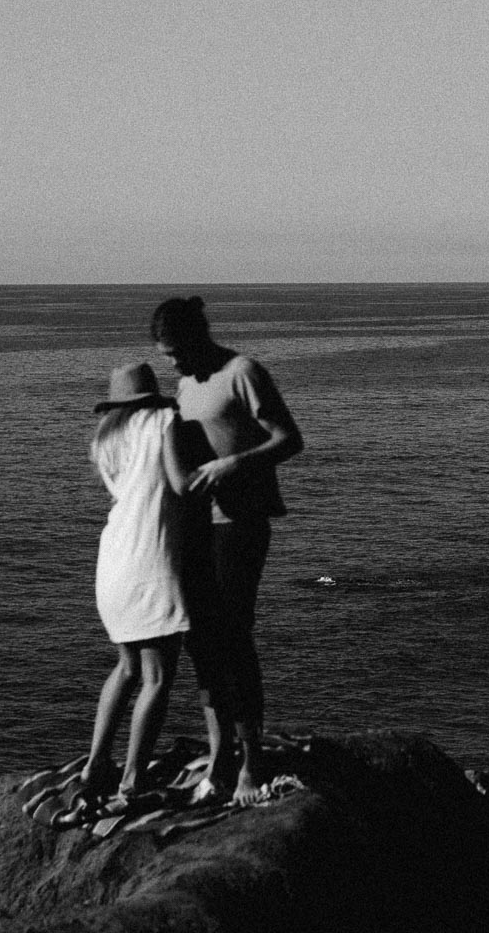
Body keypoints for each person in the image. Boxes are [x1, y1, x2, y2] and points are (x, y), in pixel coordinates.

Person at [151, 295, 304, 806]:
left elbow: (290, 439)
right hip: (196, 526)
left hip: (240, 524)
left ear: (195, 337)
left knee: (234, 640)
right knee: (202, 644)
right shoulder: (185, 385)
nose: (170, 362)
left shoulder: (243, 372)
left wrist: (232, 465)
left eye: (173, 350)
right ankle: (219, 758)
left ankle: (251, 762)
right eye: (164, 353)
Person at [63, 360, 208, 824]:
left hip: (114, 558)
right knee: (158, 677)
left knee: (126, 667)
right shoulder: (164, 421)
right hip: (151, 555)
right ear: (152, 397)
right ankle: (131, 780)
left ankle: (95, 765)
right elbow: (181, 485)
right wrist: (225, 467)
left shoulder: (104, 439)